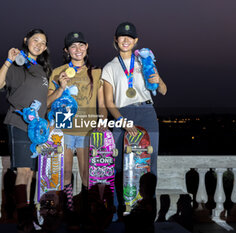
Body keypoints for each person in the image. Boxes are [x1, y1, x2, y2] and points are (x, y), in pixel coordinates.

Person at [102, 22, 167, 221]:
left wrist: (158, 79)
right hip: (123, 114)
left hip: (147, 112)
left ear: (136, 40)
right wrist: (122, 121)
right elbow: (109, 102)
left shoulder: (145, 61)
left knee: (149, 164)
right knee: (119, 165)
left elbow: (163, 90)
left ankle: (149, 212)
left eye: (130, 37)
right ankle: (118, 211)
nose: (125, 40)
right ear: (116, 39)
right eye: (122, 36)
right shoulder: (110, 67)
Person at [0, 29, 52, 210]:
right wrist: (8, 60)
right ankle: (23, 217)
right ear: (26, 40)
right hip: (19, 123)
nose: (39, 45)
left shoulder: (42, 69)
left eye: (43, 43)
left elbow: (44, 101)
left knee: (31, 172)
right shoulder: (17, 63)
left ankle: (25, 212)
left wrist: (60, 90)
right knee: (23, 171)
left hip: (37, 129)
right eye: (35, 40)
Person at [47, 32, 107, 211]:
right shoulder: (57, 72)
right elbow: (48, 101)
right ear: (66, 50)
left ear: (87, 46)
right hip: (64, 131)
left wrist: (102, 121)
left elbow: (102, 104)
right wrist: (61, 87)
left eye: (81, 45)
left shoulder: (97, 72)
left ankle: (87, 211)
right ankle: (69, 211)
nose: (78, 49)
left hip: (87, 131)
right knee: (65, 175)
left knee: (87, 175)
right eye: (73, 46)